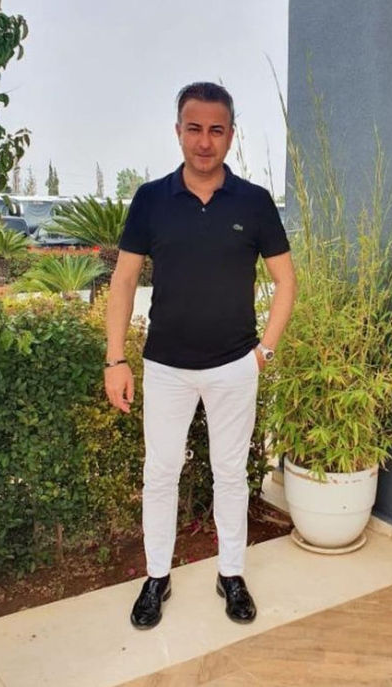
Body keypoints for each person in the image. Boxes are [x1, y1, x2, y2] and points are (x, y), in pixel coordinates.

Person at [105, 82, 296, 630]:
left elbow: (286, 282)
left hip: (235, 366)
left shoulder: (254, 202)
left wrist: (264, 352)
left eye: (216, 130)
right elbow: (123, 281)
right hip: (166, 366)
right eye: (194, 128)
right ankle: (156, 577)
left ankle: (231, 574)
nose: (204, 141)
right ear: (178, 131)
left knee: (230, 474)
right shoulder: (150, 200)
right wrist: (116, 360)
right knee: (160, 473)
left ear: (231, 135)